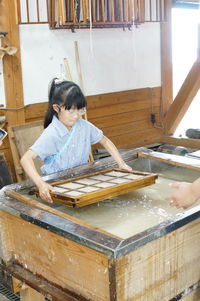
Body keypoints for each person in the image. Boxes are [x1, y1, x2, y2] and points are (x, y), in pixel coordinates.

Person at [21, 78, 132, 202]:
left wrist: (121, 163)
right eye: (71, 111)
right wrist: (41, 184)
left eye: (80, 110)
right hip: (57, 187)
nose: (76, 116)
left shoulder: (84, 126)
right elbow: (26, 159)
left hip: (82, 181)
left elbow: (105, 140)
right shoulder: (52, 133)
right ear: (57, 108)